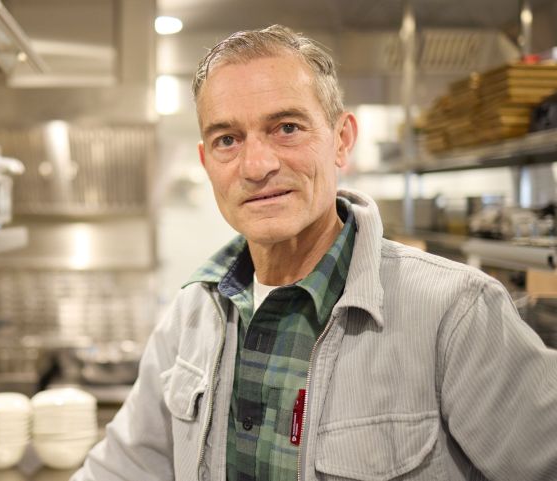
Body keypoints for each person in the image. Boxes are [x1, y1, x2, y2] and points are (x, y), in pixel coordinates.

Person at [71, 25, 557, 481]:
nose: (257, 166)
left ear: (341, 140)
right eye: (227, 140)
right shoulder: (191, 316)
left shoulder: (455, 313)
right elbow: (121, 468)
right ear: (206, 162)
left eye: (286, 128)